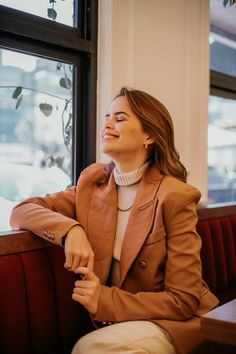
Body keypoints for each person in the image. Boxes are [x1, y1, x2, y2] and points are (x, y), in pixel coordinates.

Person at [10, 87, 219, 354]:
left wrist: (104, 299)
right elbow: (22, 211)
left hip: (177, 322)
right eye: (108, 116)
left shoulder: (175, 197)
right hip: (122, 320)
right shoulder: (93, 184)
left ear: (150, 135)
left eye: (119, 118)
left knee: (90, 348)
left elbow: (183, 300)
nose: (107, 123)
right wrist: (71, 231)